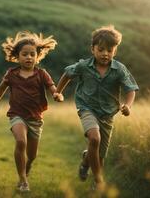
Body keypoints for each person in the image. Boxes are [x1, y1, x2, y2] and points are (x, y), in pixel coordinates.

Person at [54, 25, 139, 191]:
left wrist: (127, 106)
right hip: (86, 108)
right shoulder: (84, 66)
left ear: (115, 50)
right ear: (92, 49)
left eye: (110, 50)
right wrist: (58, 92)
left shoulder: (119, 69)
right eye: (101, 49)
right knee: (94, 138)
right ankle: (99, 181)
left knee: (99, 155)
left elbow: (131, 89)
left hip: (107, 115)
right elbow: (67, 74)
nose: (105, 54)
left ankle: (86, 161)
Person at [0, 31, 62, 192]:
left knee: (32, 155)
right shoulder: (12, 74)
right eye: (24, 54)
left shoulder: (41, 74)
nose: (28, 57)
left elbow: (52, 87)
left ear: (37, 56)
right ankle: (22, 180)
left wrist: (57, 94)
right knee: (21, 141)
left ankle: (25, 170)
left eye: (32, 54)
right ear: (17, 56)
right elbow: (0, 90)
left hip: (35, 118)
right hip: (17, 115)